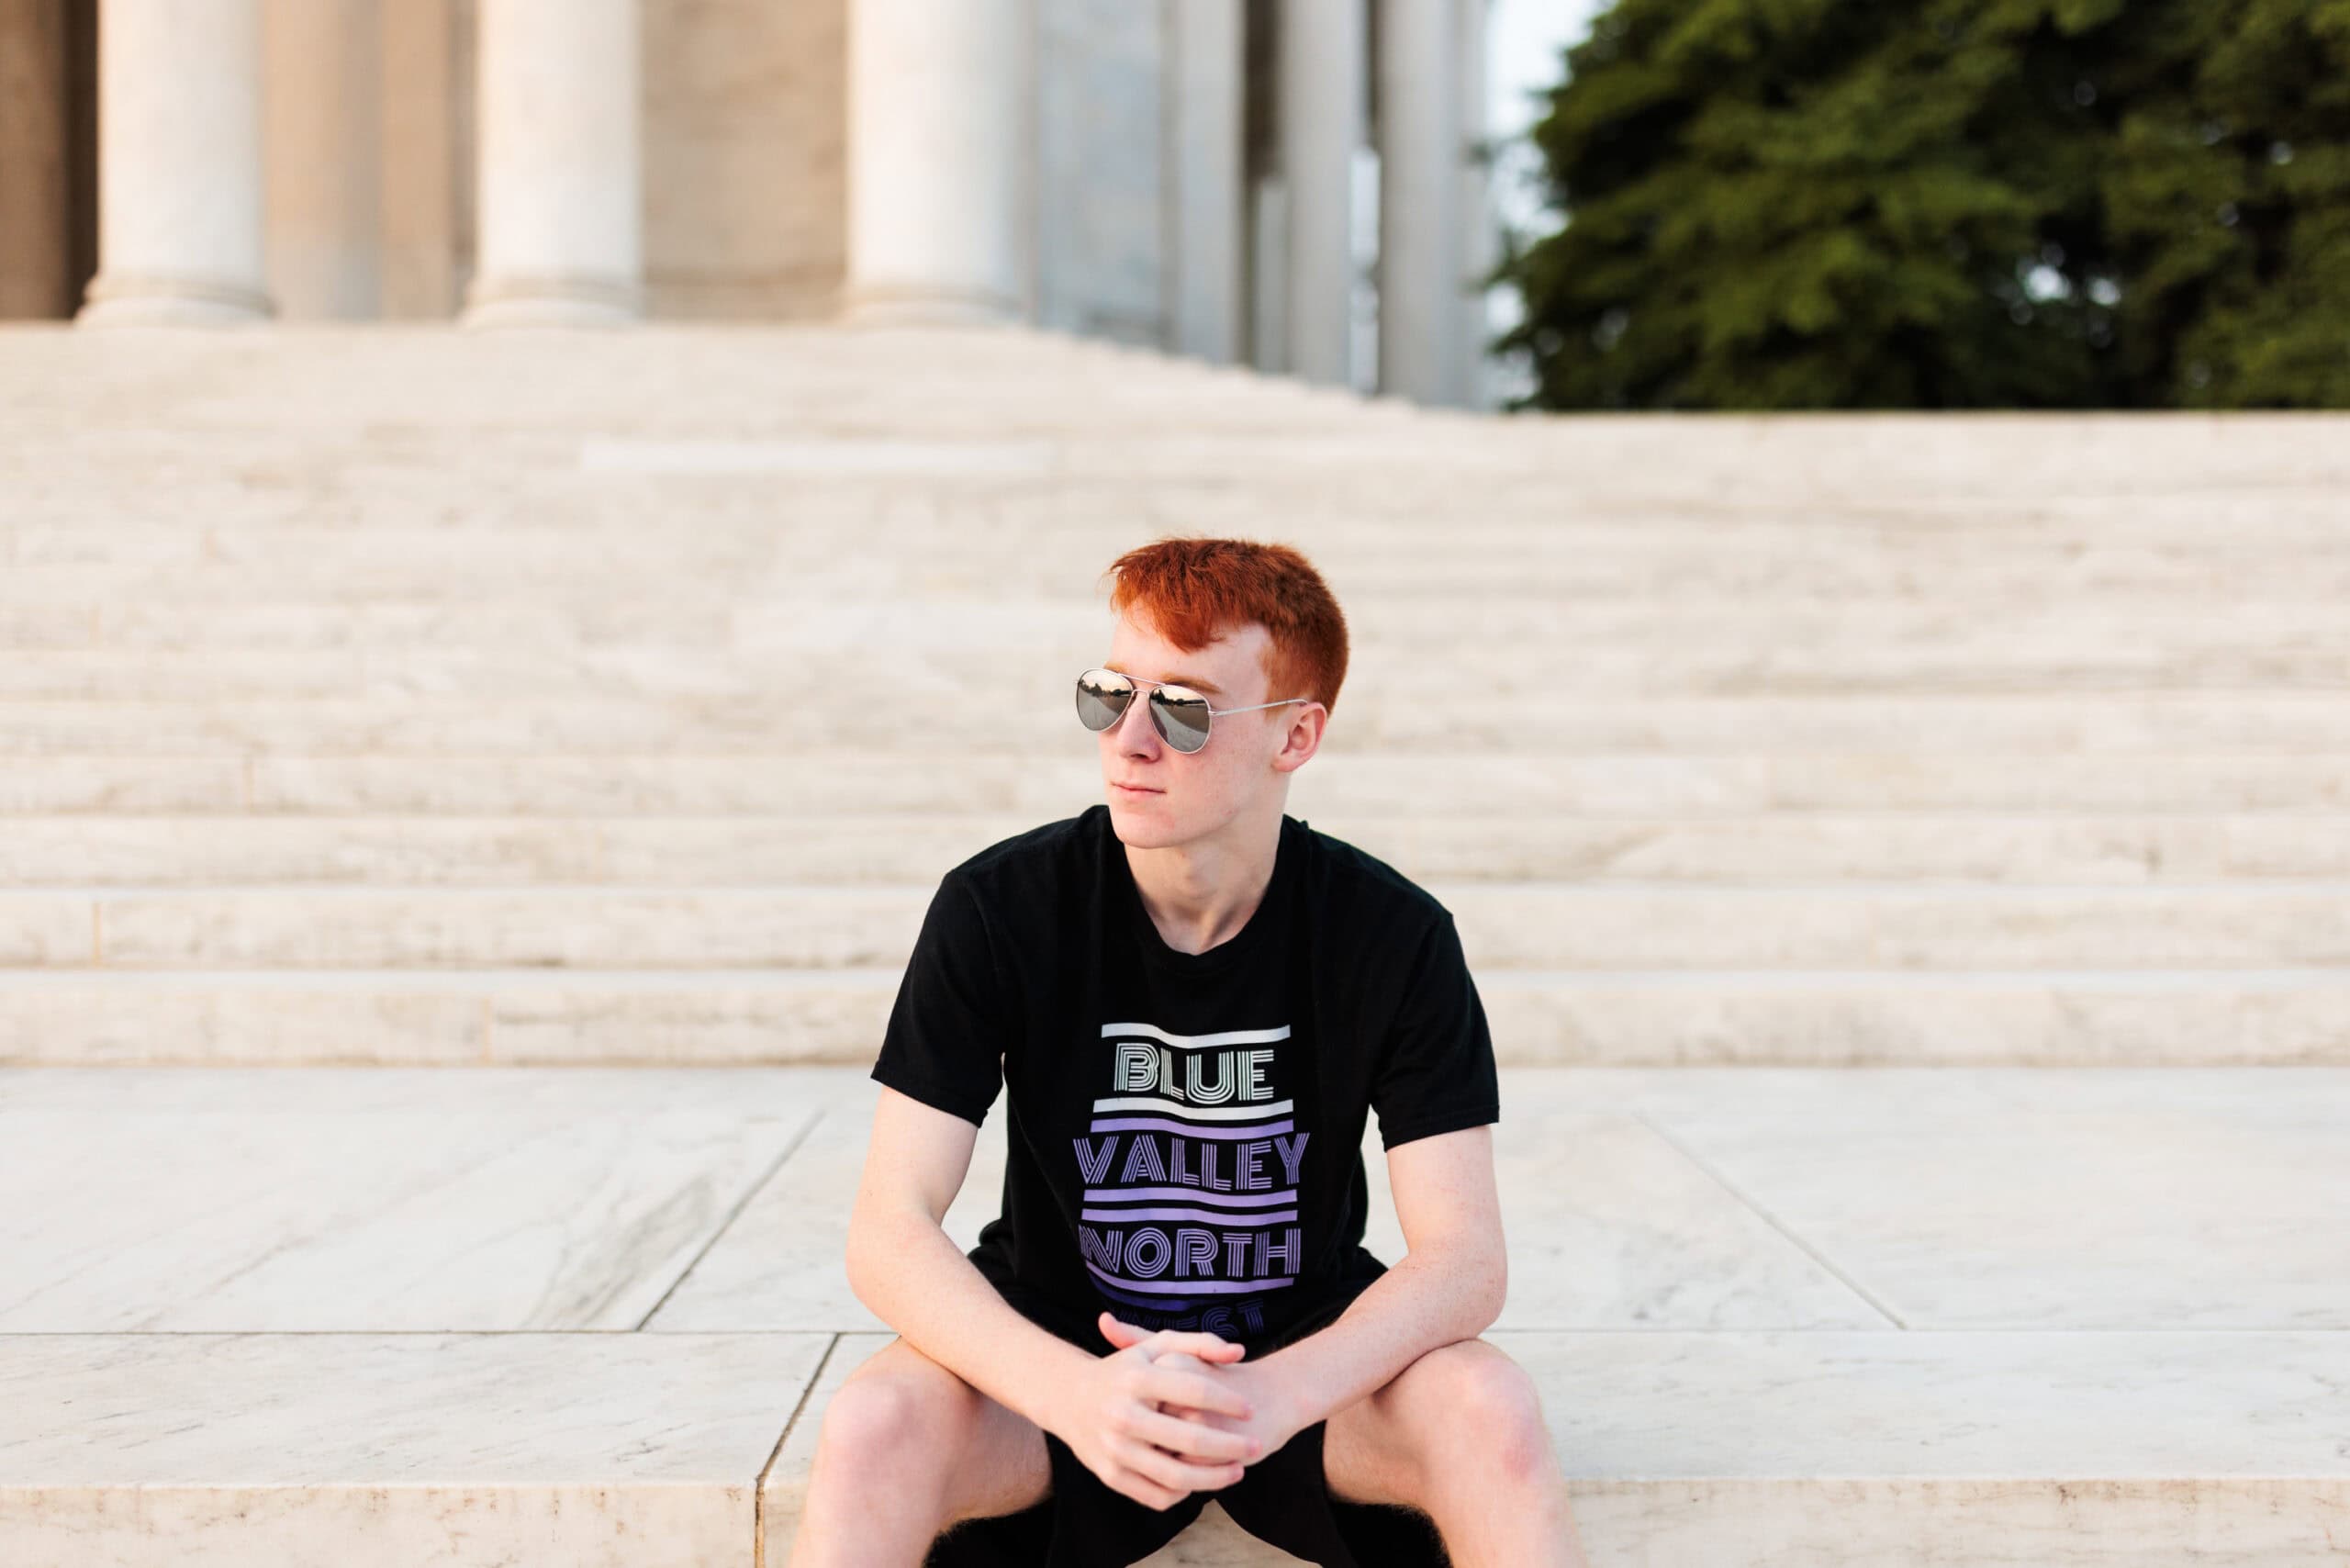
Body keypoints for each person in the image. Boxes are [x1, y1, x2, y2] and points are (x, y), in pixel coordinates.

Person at [791, 538, 1590, 1567]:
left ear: (1296, 736)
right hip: (1055, 1363)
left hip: (1304, 1372)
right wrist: (1073, 1392)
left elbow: (1463, 1259)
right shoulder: (1000, 906)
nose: (1129, 740)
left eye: (1184, 708)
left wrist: (1276, 1392)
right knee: (869, 1427)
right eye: (1107, 693)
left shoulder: (1392, 933)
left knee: (1492, 1407)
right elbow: (887, 1229)